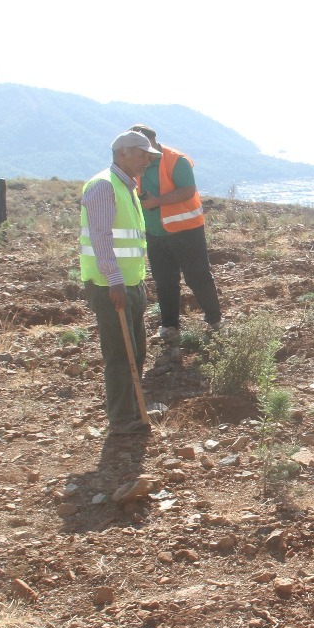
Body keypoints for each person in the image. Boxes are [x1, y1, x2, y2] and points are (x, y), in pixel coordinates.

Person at [80, 131, 159, 436]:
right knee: (119, 354)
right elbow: (101, 237)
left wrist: (137, 280)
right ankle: (121, 417)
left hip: (130, 282)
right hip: (109, 285)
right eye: (143, 154)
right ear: (122, 153)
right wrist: (115, 281)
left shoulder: (128, 187)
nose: (147, 160)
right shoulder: (103, 185)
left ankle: (133, 408)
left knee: (137, 351)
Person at [128, 124, 222, 347]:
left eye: (143, 149)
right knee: (164, 281)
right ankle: (169, 326)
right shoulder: (136, 164)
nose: (142, 155)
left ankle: (215, 322)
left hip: (186, 232)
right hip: (155, 233)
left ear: (152, 143)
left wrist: (158, 202)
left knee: (197, 276)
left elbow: (188, 190)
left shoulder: (175, 160)